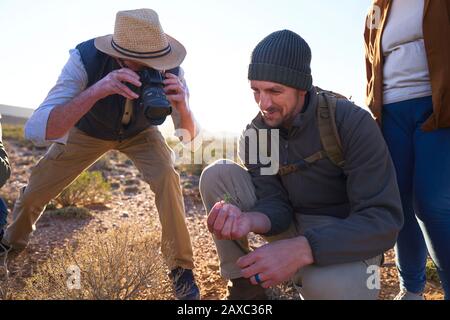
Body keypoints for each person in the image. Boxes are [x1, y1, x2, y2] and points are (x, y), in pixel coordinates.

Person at [0, 9, 200, 300]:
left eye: (155, 62)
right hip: (89, 130)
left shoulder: (170, 69)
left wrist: (183, 108)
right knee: (37, 188)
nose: (150, 69)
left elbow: (189, 141)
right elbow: (34, 129)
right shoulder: (84, 60)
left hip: (140, 134)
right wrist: (97, 90)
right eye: (141, 64)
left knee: (167, 175)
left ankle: (181, 269)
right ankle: (12, 243)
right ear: (119, 57)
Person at [199, 30, 404, 300]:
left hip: (347, 239)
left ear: (302, 87)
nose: (264, 103)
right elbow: (276, 205)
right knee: (218, 174)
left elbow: (383, 220)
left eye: (275, 91)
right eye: (256, 91)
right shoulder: (258, 133)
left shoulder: (351, 123)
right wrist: (247, 219)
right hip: (293, 227)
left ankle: (321, 277)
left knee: (328, 286)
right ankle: (244, 288)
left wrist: (304, 248)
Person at [365, 0, 450, 300]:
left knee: (430, 204)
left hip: (438, 106)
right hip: (391, 111)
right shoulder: (377, 7)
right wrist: (373, 106)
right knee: (399, 203)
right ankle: (411, 291)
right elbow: (370, 55)